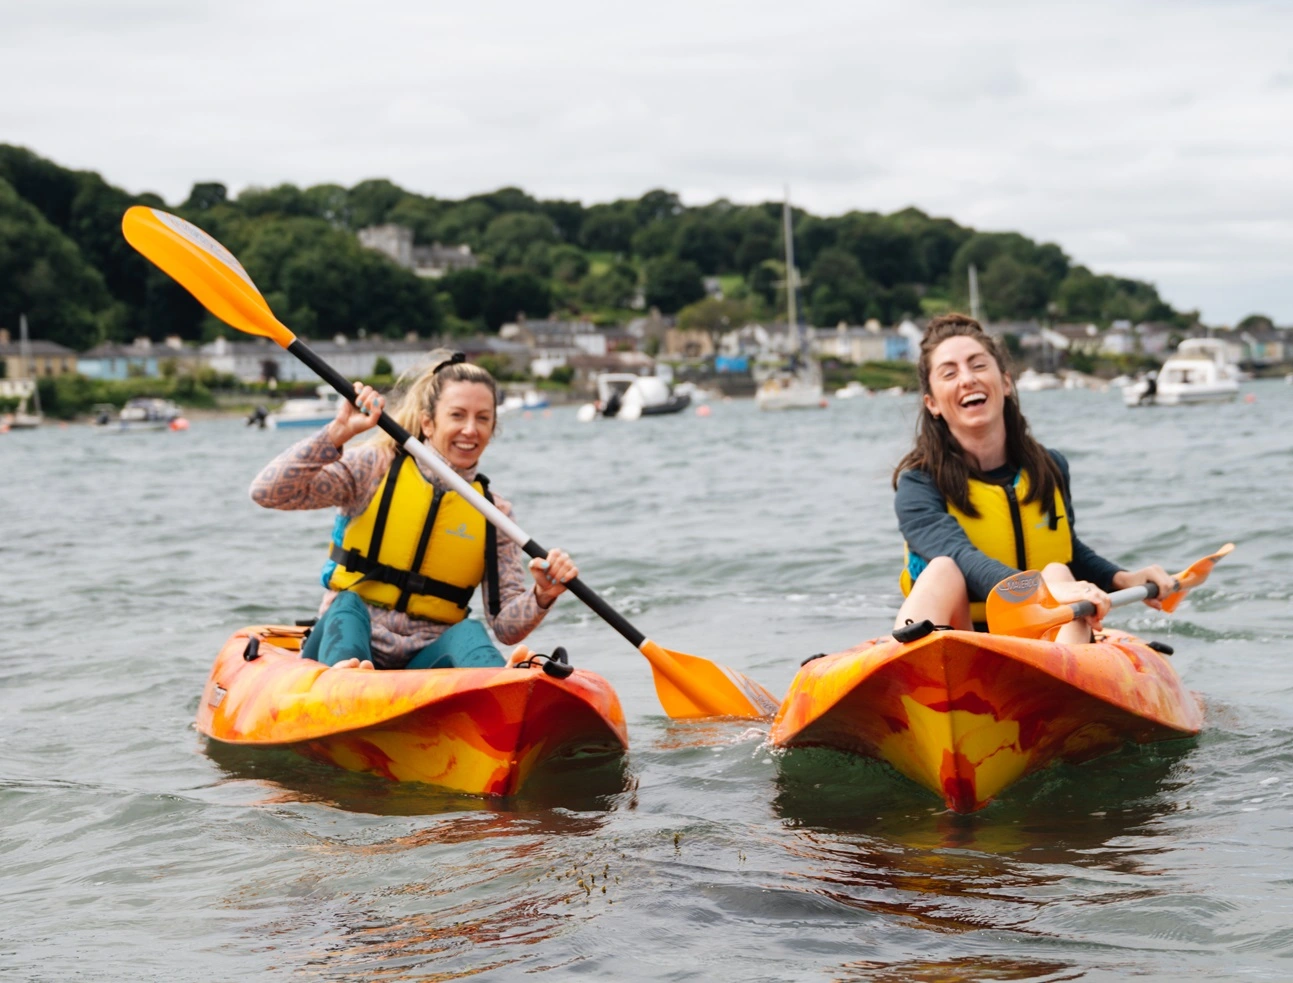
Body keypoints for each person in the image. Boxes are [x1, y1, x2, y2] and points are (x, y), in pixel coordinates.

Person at [250, 350, 578, 671]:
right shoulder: (373, 469)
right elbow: (268, 491)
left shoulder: (496, 515)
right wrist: (338, 432)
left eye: (482, 418)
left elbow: (506, 627)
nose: (470, 429)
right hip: (348, 639)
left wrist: (541, 595)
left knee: (470, 631)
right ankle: (348, 683)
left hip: (425, 662)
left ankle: (501, 689)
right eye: (457, 415)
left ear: (493, 428)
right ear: (428, 423)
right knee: (346, 605)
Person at [892, 314, 1175, 644]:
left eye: (978, 365)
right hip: (962, 640)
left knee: (1058, 568)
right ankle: (917, 674)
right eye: (950, 373)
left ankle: (1066, 681)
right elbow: (960, 556)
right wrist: (1042, 591)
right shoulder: (917, 485)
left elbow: (1069, 550)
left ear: (1006, 382)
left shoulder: (1049, 467)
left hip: (1042, 643)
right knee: (942, 569)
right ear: (932, 403)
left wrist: (1124, 578)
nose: (967, 380)